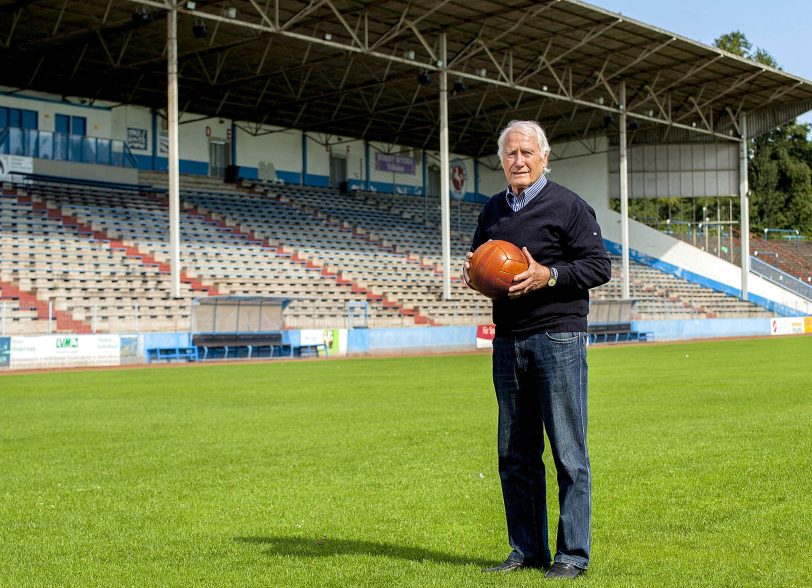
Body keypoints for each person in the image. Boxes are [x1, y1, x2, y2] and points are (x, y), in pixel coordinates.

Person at [463, 120, 611, 579]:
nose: (519, 161)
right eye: (510, 154)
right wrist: (472, 276)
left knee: (568, 450)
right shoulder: (491, 210)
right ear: (501, 160)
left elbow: (598, 266)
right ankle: (526, 550)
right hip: (507, 340)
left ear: (544, 157)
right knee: (515, 453)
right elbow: (478, 262)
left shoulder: (569, 205)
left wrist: (549, 275)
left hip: (557, 337)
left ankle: (573, 555)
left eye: (527, 152)